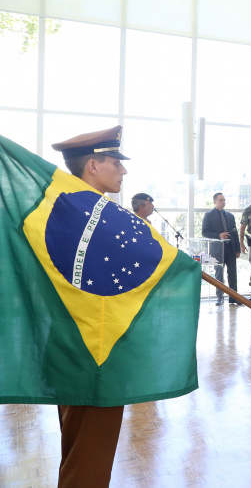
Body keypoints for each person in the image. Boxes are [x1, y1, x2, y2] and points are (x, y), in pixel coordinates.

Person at [50, 125, 131, 486]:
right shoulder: (93, 216)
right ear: (94, 166)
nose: (123, 170)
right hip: (95, 344)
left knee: (78, 444)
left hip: (66, 341)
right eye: (116, 162)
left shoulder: (62, 209)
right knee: (91, 451)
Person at [202, 192, 241, 306]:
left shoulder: (230, 216)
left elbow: (235, 233)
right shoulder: (208, 215)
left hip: (230, 249)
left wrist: (237, 249)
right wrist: (219, 235)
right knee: (219, 275)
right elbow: (205, 232)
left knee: (232, 274)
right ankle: (220, 298)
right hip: (217, 250)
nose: (223, 202)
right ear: (214, 202)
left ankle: (234, 298)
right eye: (220, 200)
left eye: (224, 200)